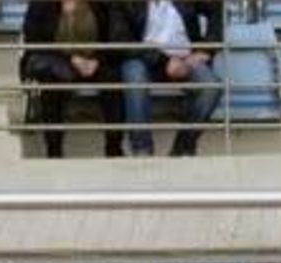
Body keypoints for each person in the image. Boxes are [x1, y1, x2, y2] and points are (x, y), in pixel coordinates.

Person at [117, 0, 223, 157]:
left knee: (211, 87)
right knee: (134, 74)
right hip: (142, 58)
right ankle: (142, 150)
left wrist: (206, 50)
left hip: (183, 57)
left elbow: (216, 7)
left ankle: (182, 148)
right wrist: (164, 61)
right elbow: (121, 39)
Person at [20, 0, 125, 158]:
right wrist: (72, 59)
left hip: (92, 61)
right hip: (58, 60)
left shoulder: (99, 4)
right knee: (51, 84)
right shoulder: (40, 4)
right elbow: (33, 40)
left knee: (113, 79)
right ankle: (54, 151)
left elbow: (111, 38)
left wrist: (97, 60)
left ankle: (114, 147)